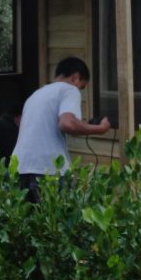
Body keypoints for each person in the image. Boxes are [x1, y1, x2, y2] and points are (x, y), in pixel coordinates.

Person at [12, 56, 110, 202]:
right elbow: (67, 123)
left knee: (27, 221)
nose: (79, 91)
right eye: (81, 87)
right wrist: (99, 129)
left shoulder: (36, 95)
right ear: (75, 77)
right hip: (48, 169)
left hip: (19, 168)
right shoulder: (69, 90)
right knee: (57, 221)